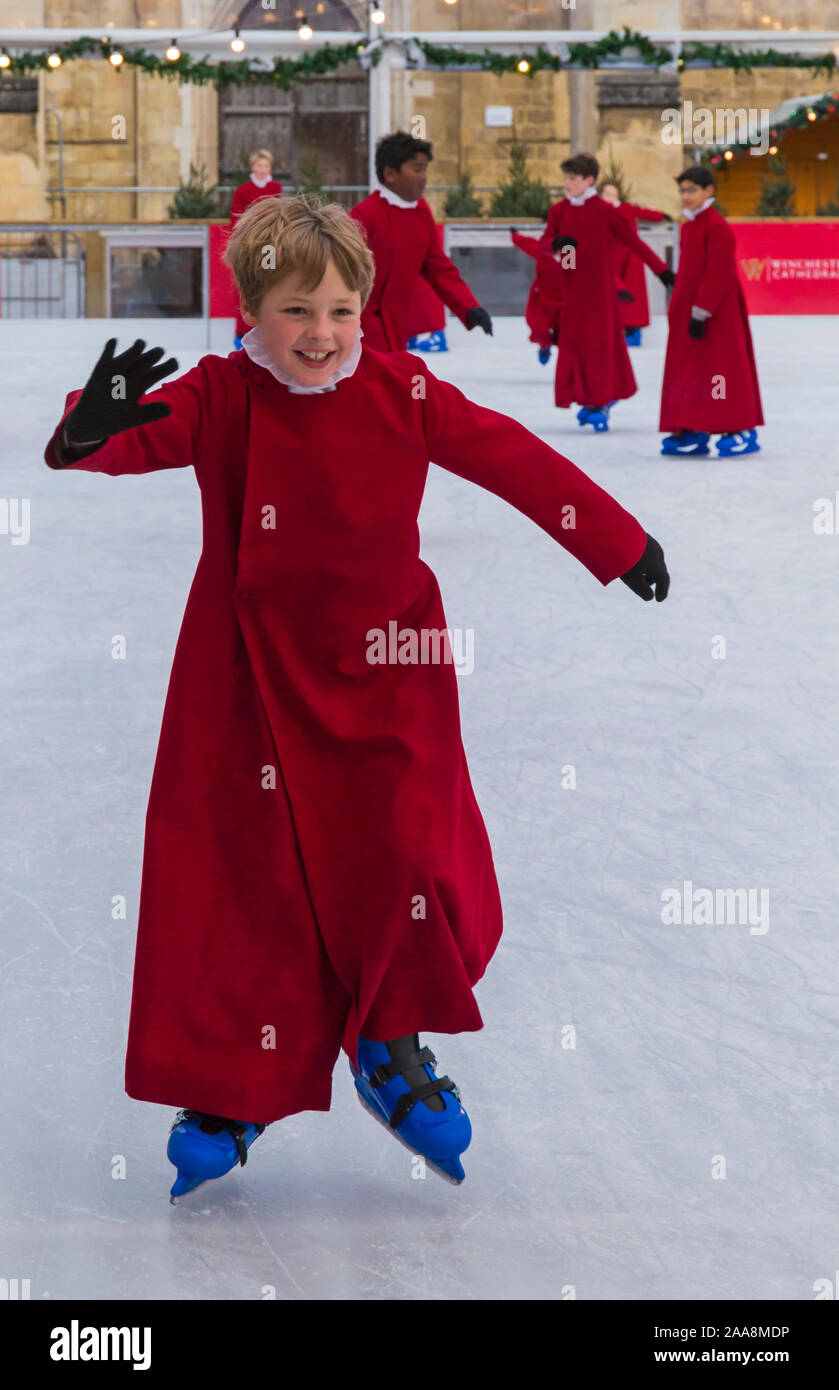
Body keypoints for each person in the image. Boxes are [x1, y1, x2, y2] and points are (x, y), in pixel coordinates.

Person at [44, 196, 670, 1200]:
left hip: (389, 668)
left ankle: (386, 1038)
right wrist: (89, 423)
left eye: (340, 310)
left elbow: (514, 459)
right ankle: (235, 1075)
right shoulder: (221, 394)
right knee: (250, 874)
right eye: (296, 311)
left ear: (365, 310)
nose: (321, 334)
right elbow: (131, 439)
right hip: (244, 673)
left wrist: (615, 539)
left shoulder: (403, 389)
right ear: (253, 308)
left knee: (404, 850)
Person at [537, 154, 675, 431]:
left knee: (599, 349)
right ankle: (588, 400)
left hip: (600, 294)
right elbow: (543, 244)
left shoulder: (605, 211)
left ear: (588, 180)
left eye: (572, 179)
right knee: (576, 348)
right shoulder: (559, 211)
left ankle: (600, 402)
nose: (566, 183)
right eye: (565, 177)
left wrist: (661, 270)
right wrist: (555, 242)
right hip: (573, 293)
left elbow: (633, 241)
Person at [350, 130, 493, 351]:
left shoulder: (421, 214)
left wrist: (468, 307)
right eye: (417, 169)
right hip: (358, 333)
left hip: (397, 331)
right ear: (390, 174)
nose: (424, 176)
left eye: (425, 169)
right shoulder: (364, 216)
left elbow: (439, 268)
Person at [659, 166, 763, 457]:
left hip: (715, 315)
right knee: (692, 371)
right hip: (690, 314)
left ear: (708, 191)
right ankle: (693, 425)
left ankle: (737, 426)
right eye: (682, 190)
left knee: (721, 371)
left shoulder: (716, 227)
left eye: (691, 190)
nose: (685, 196)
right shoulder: (690, 226)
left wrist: (701, 311)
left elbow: (718, 273)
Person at [599, 181, 673, 346]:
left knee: (633, 294)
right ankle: (612, 330)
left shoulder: (625, 208)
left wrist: (661, 215)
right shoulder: (599, 212)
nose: (611, 197)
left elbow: (643, 212)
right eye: (607, 194)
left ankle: (632, 329)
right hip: (610, 257)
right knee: (612, 292)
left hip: (631, 257)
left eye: (613, 194)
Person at [227, 148, 283, 348]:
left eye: (266, 165)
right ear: (253, 167)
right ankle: (242, 334)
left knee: (269, 284)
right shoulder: (243, 191)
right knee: (245, 286)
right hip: (248, 246)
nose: (262, 169)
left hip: (269, 246)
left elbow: (279, 215)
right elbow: (236, 219)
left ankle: (268, 328)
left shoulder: (276, 187)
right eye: (259, 165)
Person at [510, 228, 564, 364]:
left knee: (568, 332)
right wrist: (515, 235)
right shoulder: (544, 249)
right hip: (542, 299)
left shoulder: (571, 252)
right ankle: (544, 346)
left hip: (566, 301)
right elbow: (527, 244)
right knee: (538, 326)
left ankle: (569, 359)